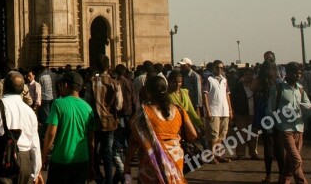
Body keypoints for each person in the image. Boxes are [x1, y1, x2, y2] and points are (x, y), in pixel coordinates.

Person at [124, 75, 196, 183]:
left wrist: (127, 163)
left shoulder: (143, 113)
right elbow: (193, 134)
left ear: (148, 92)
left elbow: (134, 141)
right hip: (175, 157)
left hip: (151, 161)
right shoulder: (179, 110)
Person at [0, 71, 42, 184]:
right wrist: (36, 171)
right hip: (24, 161)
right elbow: (35, 144)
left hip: (3, 159)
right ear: (23, 89)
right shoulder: (29, 111)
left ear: (4, 86)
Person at [268, 62, 311, 184]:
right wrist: (271, 129)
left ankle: (284, 180)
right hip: (284, 128)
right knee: (297, 160)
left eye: (299, 73)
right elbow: (270, 110)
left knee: (290, 161)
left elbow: (307, 105)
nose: (297, 76)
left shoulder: (300, 89)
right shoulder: (277, 88)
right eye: (295, 73)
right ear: (287, 73)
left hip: (298, 127)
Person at [42, 71, 96, 184]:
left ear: (65, 85)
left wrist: (44, 155)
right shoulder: (88, 108)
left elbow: (51, 133)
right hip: (82, 159)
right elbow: (91, 141)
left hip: (61, 159)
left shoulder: (58, 104)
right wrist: (91, 165)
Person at [91, 55, 122, 184]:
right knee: (107, 152)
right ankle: (109, 179)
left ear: (95, 67)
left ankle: (98, 176)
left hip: (94, 122)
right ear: (109, 67)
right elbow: (119, 105)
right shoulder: (115, 84)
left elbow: (88, 103)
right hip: (110, 122)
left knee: (93, 150)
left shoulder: (92, 82)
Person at [254, 61, 283, 183]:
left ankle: (268, 175)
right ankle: (282, 175)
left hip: (265, 118)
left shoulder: (260, 84)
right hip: (279, 117)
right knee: (280, 147)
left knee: (268, 147)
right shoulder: (279, 83)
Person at [202, 60, 232, 163]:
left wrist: (230, 109)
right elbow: (205, 94)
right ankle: (211, 156)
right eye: (218, 68)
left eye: (222, 68)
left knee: (222, 134)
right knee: (213, 135)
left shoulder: (224, 80)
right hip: (214, 110)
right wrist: (208, 110)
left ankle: (218, 154)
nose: (220, 70)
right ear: (214, 68)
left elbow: (227, 94)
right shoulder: (208, 79)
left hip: (224, 110)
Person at [231, 68, 259, 160]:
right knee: (241, 134)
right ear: (242, 76)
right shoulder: (237, 87)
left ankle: (253, 153)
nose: (248, 76)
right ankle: (240, 153)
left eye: (250, 74)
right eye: (246, 74)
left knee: (254, 134)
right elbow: (233, 99)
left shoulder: (256, 87)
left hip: (254, 113)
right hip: (241, 113)